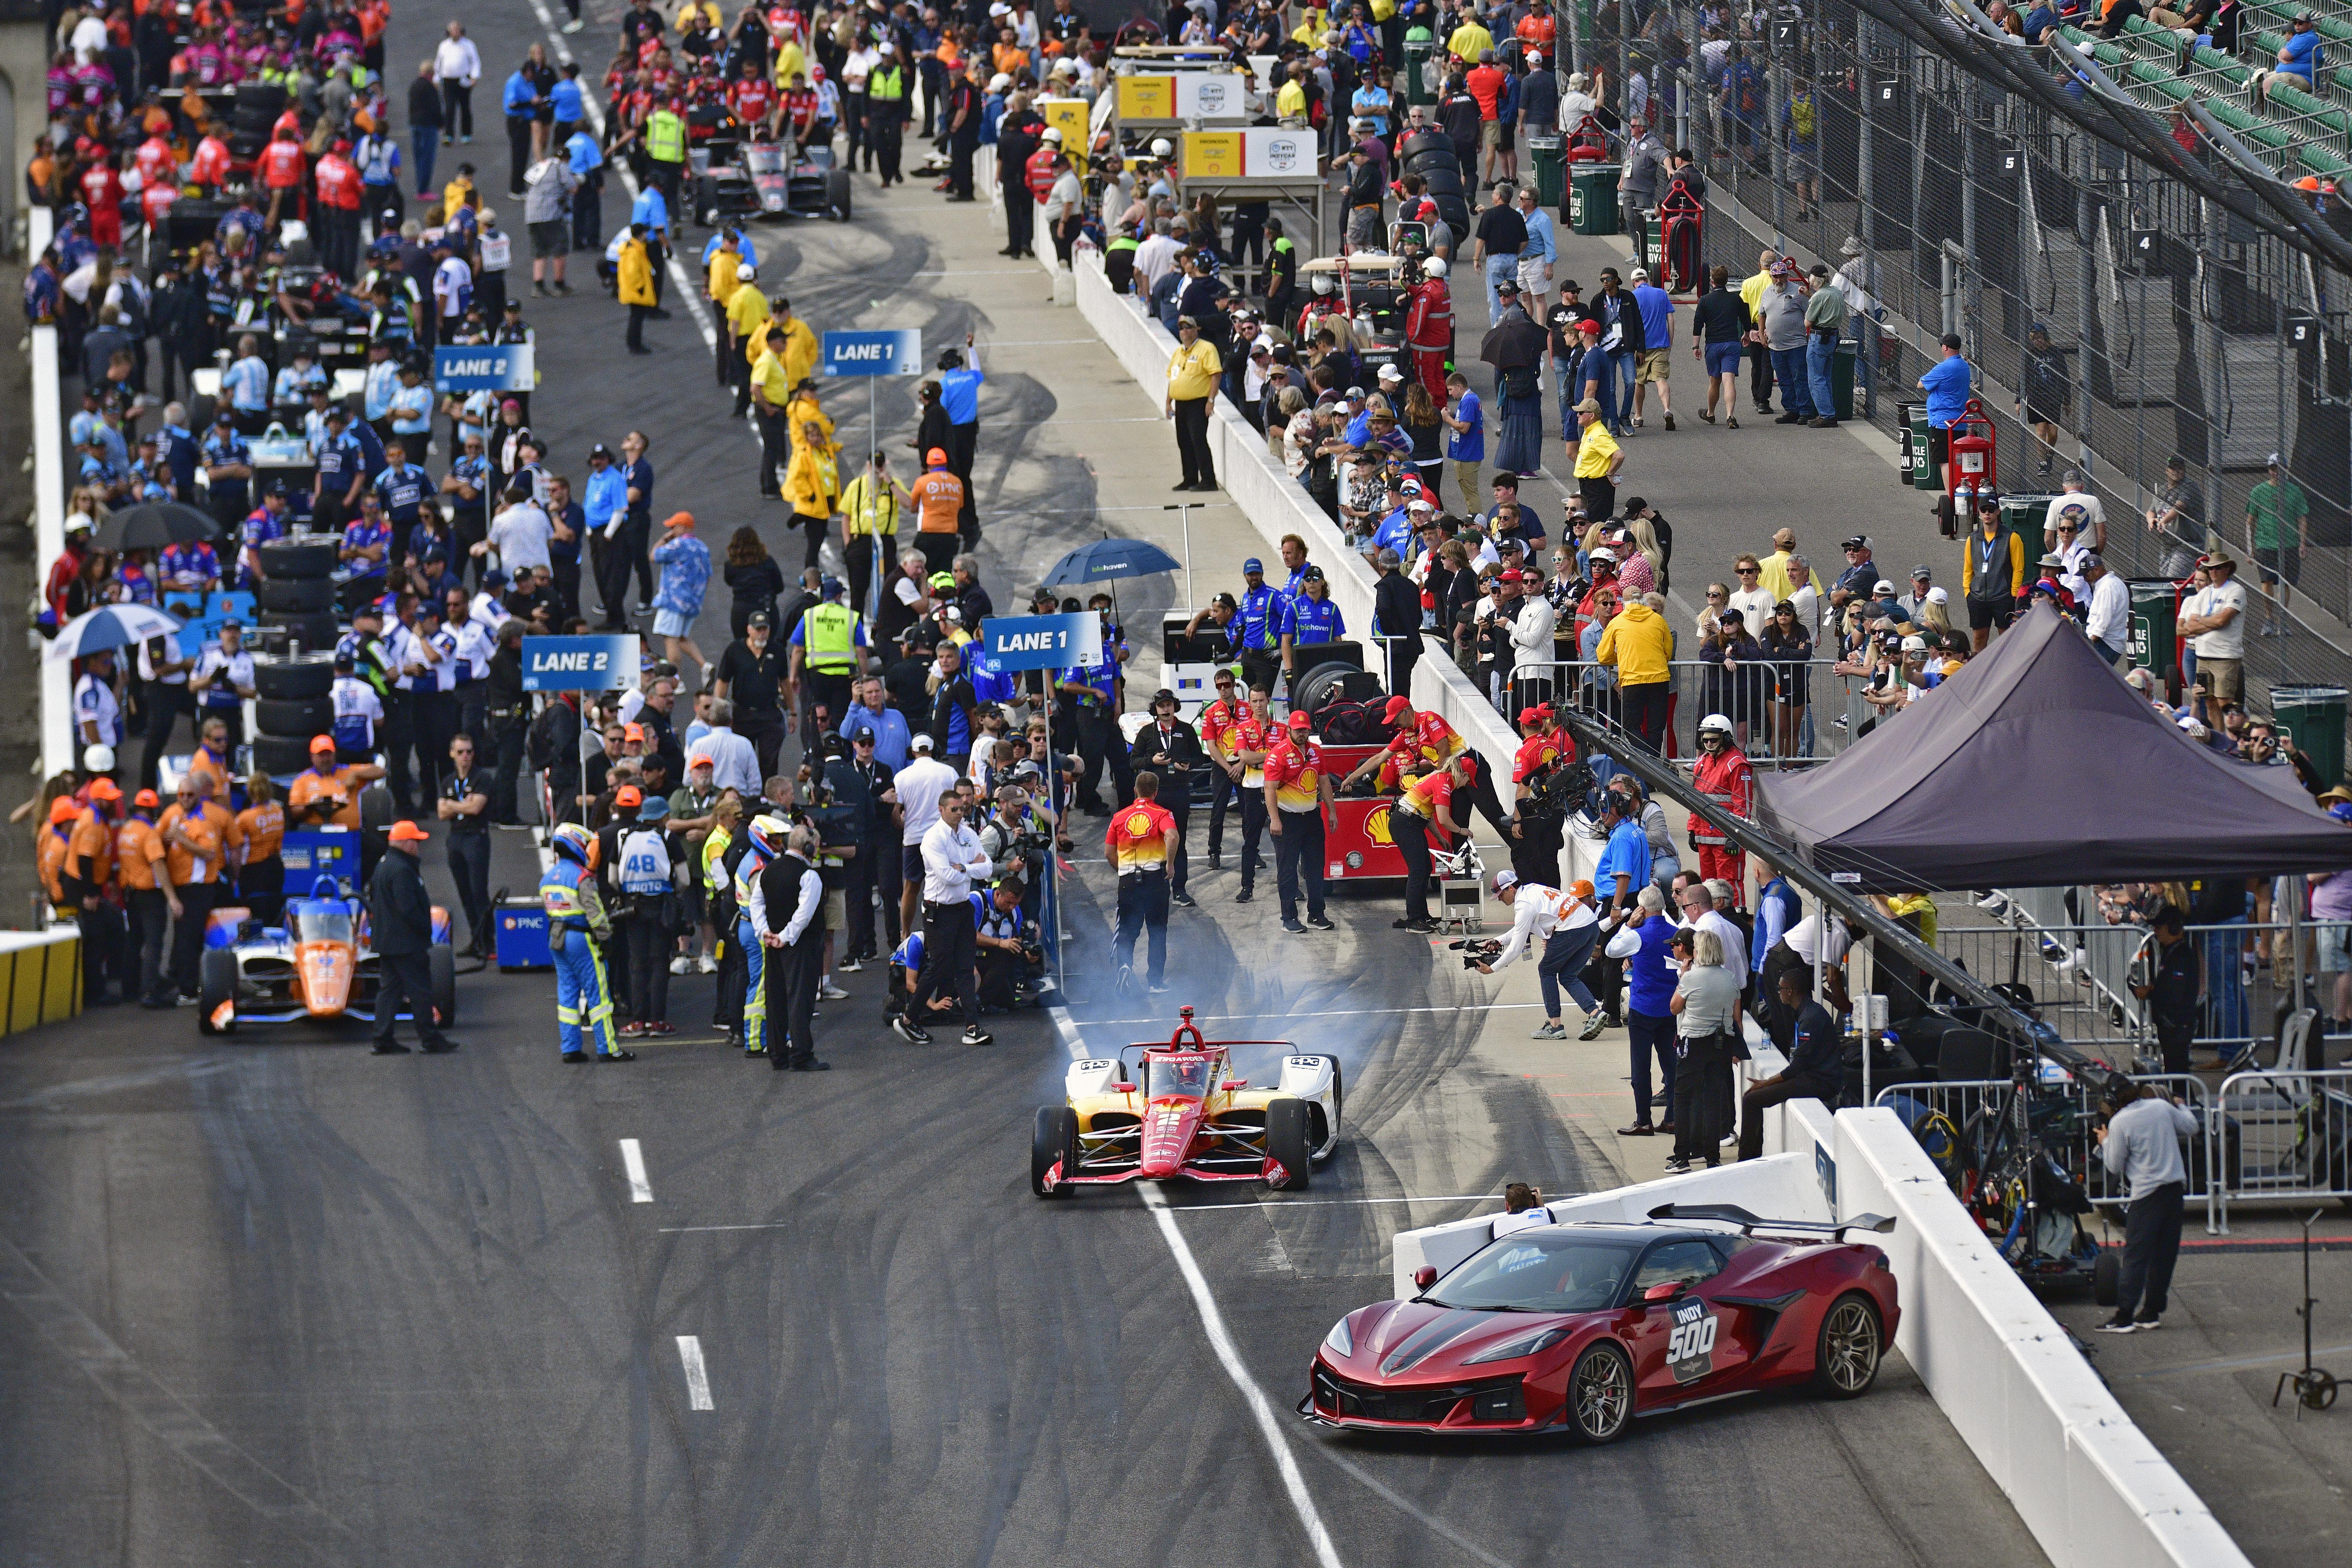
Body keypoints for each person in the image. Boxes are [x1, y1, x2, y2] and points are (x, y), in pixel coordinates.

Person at [2094, 1077, 2200, 1332]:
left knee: (2136, 1257)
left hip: (2147, 1195)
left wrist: (2105, 1141)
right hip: (2174, 1191)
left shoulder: (2120, 1123)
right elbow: (2191, 1126)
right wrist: (2181, 1105)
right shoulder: (2160, 1107)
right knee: (2164, 1255)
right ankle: (2151, 1311)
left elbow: (2114, 1165)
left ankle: (2124, 1316)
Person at [908, 787, 995, 1046]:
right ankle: (909, 1018)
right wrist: (972, 868)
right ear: (941, 810)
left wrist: (965, 867)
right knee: (939, 967)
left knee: (966, 968)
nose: (960, 813)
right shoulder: (933, 839)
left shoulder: (968, 834)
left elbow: (988, 868)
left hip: (962, 907)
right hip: (939, 910)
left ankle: (972, 1026)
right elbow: (947, 876)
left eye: (962, 809)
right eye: (954, 809)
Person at [1478, 871, 1605, 1040]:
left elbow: (1517, 948)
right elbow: (1522, 928)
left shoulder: (1524, 906)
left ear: (1511, 889)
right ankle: (1595, 1013)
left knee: (1546, 970)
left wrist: (1492, 969)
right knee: (1568, 976)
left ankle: (1555, 1026)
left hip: (1572, 928)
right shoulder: (1532, 889)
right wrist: (1499, 940)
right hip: (1591, 926)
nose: (1500, 900)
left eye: (1501, 895)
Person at [367, 820, 459, 1054]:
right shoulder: (401, 870)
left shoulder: (384, 865)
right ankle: (430, 1038)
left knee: (390, 991)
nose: (418, 847)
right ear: (407, 844)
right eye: (416, 842)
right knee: (420, 990)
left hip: (388, 942)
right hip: (405, 943)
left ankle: (383, 1038)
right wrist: (424, 929)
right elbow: (408, 908)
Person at [543, 821, 629, 1061]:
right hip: (581, 939)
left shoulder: (548, 877)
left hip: (557, 938)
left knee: (568, 995)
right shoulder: (583, 878)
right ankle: (608, 1049)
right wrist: (606, 939)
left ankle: (570, 1048)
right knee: (599, 995)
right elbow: (594, 913)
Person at [1736, 969, 1843, 1159]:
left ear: (1791, 991)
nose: (1778, 993)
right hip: (1811, 1076)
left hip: (1820, 1082)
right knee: (1753, 1097)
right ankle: (1752, 1156)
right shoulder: (1807, 1011)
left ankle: (1746, 1159)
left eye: (1781, 989)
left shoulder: (1810, 1017)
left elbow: (1798, 1066)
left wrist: (1766, 1082)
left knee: (1751, 1100)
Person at [1665, 927, 1742, 1172]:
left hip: (1694, 1041)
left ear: (1701, 951)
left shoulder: (1691, 978)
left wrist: (1683, 976)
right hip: (1722, 1042)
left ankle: (1682, 1157)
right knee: (1713, 1100)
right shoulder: (1729, 977)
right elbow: (1736, 1016)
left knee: (1683, 1098)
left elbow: (1675, 1008)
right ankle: (1712, 1156)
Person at [755, 823, 829, 1070]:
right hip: (801, 946)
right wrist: (786, 936)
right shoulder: (809, 876)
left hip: (772, 943)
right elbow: (804, 915)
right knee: (800, 999)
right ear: (808, 847)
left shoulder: (768, 871)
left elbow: (756, 904)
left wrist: (766, 932)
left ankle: (778, 1054)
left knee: (775, 999)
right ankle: (801, 1055)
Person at [1606, 885, 1678, 1132]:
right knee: (1671, 1065)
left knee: (1641, 1066)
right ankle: (1672, 1117)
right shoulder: (1678, 933)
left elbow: (1611, 950)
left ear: (1642, 909)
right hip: (1670, 1008)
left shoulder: (1638, 934)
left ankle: (1643, 1119)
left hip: (1644, 1007)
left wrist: (1628, 925)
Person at [1263, 712, 1338, 936]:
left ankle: (1317, 914)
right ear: (1289, 730)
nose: (1302, 734)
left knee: (1316, 868)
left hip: (1312, 817)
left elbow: (1324, 781)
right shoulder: (1278, 755)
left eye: (1305, 730)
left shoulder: (1316, 752)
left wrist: (1332, 811)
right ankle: (1289, 918)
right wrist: (1275, 819)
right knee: (1288, 871)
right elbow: (1269, 788)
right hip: (1287, 819)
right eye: (1298, 730)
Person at [1107, 771, 1179, 992]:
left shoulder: (1120, 817)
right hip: (1155, 879)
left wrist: (1122, 869)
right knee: (1157, 932)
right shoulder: (1162, 813)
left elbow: (1109, 851)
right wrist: (1170, 864)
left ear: (1135, 790)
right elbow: (1173, 836)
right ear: (1156, 793)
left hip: (1128, 881)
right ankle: (1155, 982)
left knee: (1128, 931)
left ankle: (1125, 966)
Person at [1132, 689, 1205, 906]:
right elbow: (1133, 761)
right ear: (1155, 708)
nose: (1166, 709)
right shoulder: (1147, 732)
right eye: (1161, 705)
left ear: (1175, 706)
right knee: (1152, 840)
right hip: (1155, 795)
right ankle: (1152, 888)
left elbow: (1200, 758)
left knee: (1178, 840)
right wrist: (1152, 761)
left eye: (1169, 705)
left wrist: (1189, 764)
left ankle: (1180, 889)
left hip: (1179, 791)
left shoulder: (1187, 730)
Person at [2131, 904, 2202, 1074]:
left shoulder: (2182, 956)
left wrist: (2149, 993)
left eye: (2159, 927)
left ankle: (2185, 1101)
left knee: (2178, 1072)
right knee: (2173, 1070)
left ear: (2173, 928)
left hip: (2177, 1025)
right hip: (2171, 1024)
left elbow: (2175, 994)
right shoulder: (2172, 952)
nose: (2155, 932)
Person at [1166, 315, 1223, 492]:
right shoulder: (1178, 352)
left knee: (1198, 440)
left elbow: (1216, 374)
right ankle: (1189, 477)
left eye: (1189, 327)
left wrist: (1211, 401)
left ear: (1196, 329)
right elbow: (1173, 378)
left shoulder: (1207, 349)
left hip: (1198, 403)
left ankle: (1208, 479)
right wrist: (1168, 402)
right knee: (1184, 441)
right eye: (1182, 328)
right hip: (1181, 404)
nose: (1185, 331)